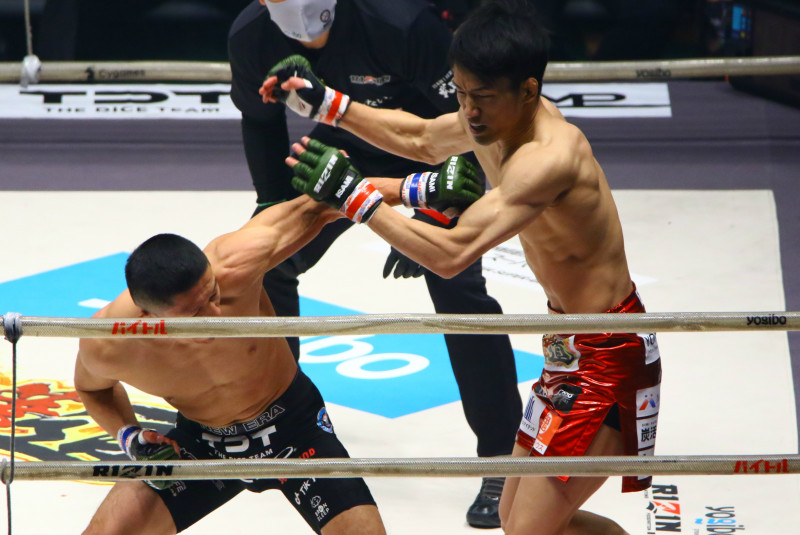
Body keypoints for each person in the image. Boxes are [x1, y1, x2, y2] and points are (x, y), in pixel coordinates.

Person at [263, 0, 662, 532]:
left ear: (528, 91)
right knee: (518, 519)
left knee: (531, 528)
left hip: (609, 353)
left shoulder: (548, 159)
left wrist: (357, 197)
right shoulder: (495, 120)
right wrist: (330, 106)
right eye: (462, 94)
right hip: (566, 347)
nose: (470, 112)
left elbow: (452, 255)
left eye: (483, 98)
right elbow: (422, 139)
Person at [228, 0, 522, 526]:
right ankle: (282, 431)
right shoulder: (252, 35)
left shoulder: (401, 23)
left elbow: (469, 125)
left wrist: (434, 214)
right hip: (343, 150)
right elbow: (260, 121)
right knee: (268, 265)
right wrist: (271, 207)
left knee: (456, 282)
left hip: (433, 149)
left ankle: (502, 457)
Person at [73, 195, 386, 535]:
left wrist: (418, 190)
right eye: (195, 313)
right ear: (149, 317)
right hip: (202, 442)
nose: (215, 317)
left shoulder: (234, 264)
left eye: (213, 295)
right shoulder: (109, 340)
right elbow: (93, 389)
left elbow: (325, 202)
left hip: (294, 427)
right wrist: (130, 436)